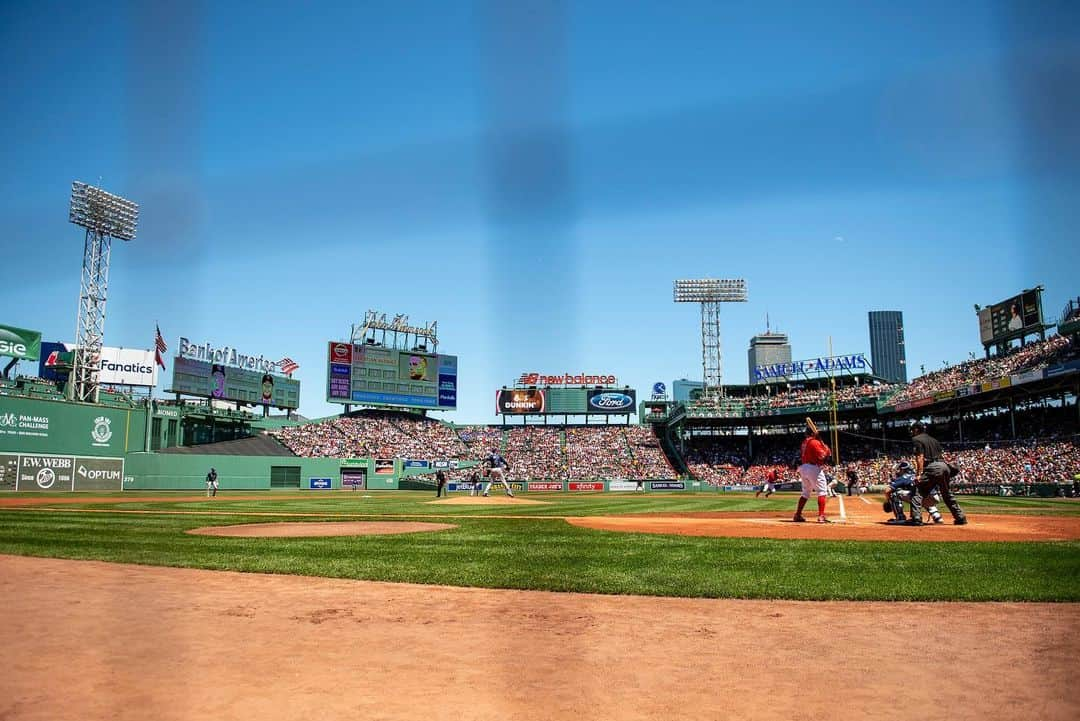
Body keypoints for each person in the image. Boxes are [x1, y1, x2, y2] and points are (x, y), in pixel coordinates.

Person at [907, 422, 967, 526]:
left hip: (932, 467)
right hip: (943, 466)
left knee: (917, 491)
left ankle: (916, 518)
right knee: (947, 494)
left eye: (913, 429)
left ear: (917, 429)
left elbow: (920, 457)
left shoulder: (916, 439)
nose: (912, 431)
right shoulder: (934, 440)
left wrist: (918, 474)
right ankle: (960, 517)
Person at [795, 426, 832, 523]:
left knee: (805, 493)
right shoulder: (814, 442)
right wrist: (827, 450)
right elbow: (822, 457)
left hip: (804, 467)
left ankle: (797, 515)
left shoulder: (805, 442)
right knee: (822, 491)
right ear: (813, 433)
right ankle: (821, 516)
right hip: (813, 467)